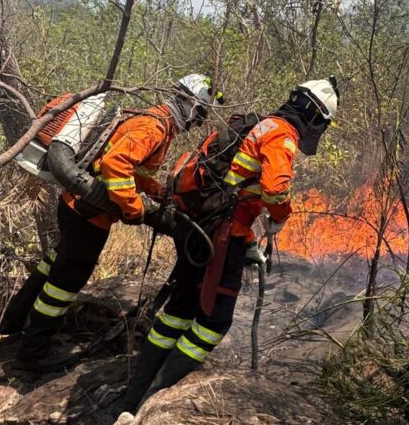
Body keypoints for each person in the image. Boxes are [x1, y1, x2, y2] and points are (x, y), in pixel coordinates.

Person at [122, 77, 339, 412]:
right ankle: (154, 402)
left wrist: (250, 237)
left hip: (196, 225)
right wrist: (279, 217)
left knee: (179, 311)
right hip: (221, 234)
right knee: (215, 321)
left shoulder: (254, 125)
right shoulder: (282, 135)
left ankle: (132, 398)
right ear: (314, 117)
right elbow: (275, 189)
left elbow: (231, 185)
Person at [0, 74, 222, 372]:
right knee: (64, 286)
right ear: (188, 104)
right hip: (89, 214)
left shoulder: (158, 123)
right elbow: (116, 166)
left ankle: (14, 319)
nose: (198, 122)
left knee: (56, 262)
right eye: (200, 114)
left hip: (75, 207)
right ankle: (33, 353)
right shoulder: (153, 126)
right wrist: (133, 208)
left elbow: (128, 166)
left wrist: (154, 189)